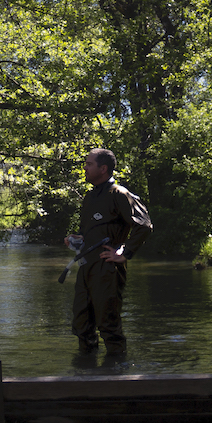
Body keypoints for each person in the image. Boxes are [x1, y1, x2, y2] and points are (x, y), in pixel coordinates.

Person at [63, 148, 152, 357]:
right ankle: (86, 376)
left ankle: (117, 378)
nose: (84, 167)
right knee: (82, 325)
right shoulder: (90, 197)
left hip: (107, 268)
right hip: (86, 268)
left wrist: (124, 253)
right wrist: (77, 240)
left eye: (89, 164)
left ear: (103, 169)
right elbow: (93, 231)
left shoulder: (119, 194)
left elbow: (144, 225)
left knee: (108, 325)